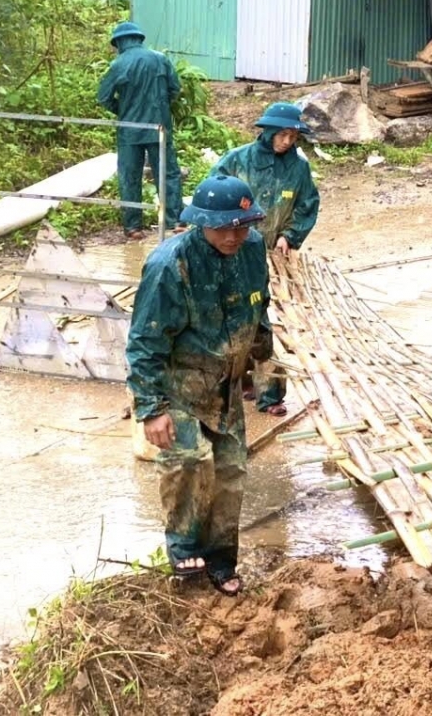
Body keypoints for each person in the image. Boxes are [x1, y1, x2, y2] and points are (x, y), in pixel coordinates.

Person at [126, 175, 271, 596]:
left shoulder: (253, 248)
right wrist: (151, 409)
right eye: (222, 227)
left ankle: (222, 559)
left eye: (240, 226)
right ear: (200, 222)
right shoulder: (170, 265)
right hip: (179, 385)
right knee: (190, 462)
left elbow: (259, 301)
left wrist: (262, 348)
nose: (232, 235)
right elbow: (145, 341)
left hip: (225, 385)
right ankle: (185, 550)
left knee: (230, 471)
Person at [209, 101, 320, 416]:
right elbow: (212, 197)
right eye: (282, 135)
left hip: (267, 256)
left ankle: (269, 394)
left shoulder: (298, 168)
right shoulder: (237, 160)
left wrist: (290, 235)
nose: (287, 141)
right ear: (268, 131)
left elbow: (307, 204)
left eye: (292, 136)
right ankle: (239, 382)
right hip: (228, 252)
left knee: (262, 321)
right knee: (228, 317)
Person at [97, 21, 183, 241]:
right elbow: (175, 88)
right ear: (139, 39)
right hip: (159, 127)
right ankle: (175, 222)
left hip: (130, 130)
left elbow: (103, 97)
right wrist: (161, 106)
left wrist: (122, 110)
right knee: (167, 173)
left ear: (119, 42)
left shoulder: (118, 65)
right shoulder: (160, 59)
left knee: (130, 176)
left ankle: (133, 227)